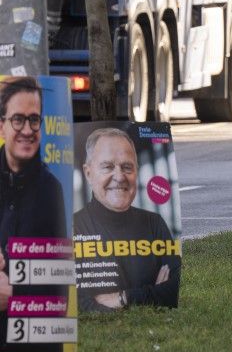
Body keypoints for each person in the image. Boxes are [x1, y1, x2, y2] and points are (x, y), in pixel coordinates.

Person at [73, 128, 181, 310]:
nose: (119, 176)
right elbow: (81, 305)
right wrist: (154, 294)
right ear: (88, 173)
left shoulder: (153, 223)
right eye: (107, 166)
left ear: (136, 172)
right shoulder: (72, 227)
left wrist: (125, 297)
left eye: (127, 167)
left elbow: (174, 291)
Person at [0, 77, 67, 312]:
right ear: (2, 125)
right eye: (18, 119)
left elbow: (60, 289)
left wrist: (13, 296)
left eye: (34, 120)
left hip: (36, 343)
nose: (27, 130)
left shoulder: (51, 190)